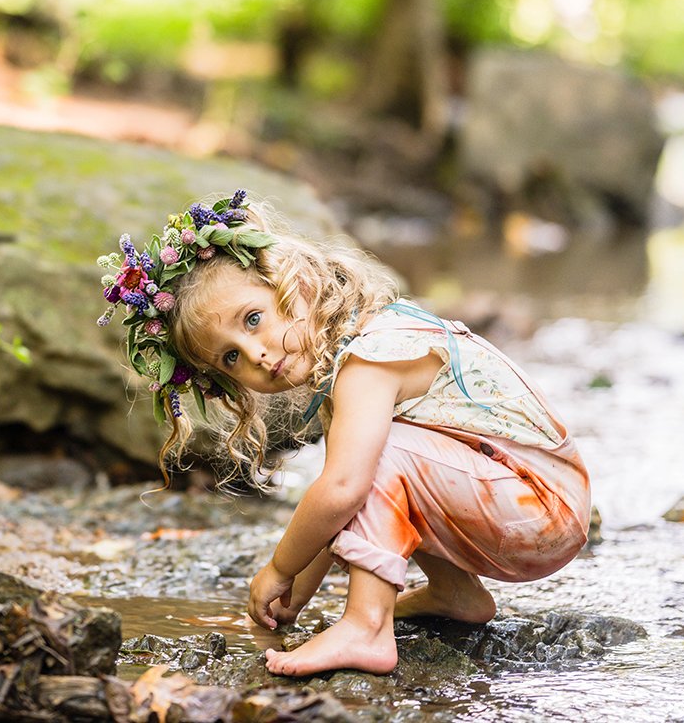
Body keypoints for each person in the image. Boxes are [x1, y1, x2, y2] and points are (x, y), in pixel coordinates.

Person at [96, 191, 591, 677]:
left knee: (370, 461)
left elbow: (343, 490)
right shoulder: (346, 372)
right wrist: (294, 596)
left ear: (294, 283)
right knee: (373, 459)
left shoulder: (371, 358)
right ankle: (455, 594)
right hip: (525, 505)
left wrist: (278, 569)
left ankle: (366, 626)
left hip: (542, 509)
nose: (258, 355)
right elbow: (351, 507)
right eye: (231, 358)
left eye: (253, 319)